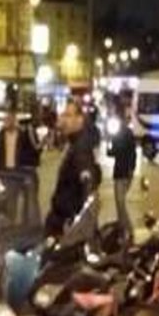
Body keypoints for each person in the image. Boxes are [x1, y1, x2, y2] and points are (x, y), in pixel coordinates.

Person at [45, 99, 98, 238]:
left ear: (80, 120)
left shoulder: (81, 149)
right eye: (63, 115)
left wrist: (75, 224)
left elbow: (88, 187)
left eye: (68, 115)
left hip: (66, 225)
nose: (63, 120)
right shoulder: (74, 143)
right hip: (63, 221)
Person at [106, 104, 138, 240]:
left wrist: (110, 146)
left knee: (120, 203)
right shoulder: (126, 133)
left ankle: (128, 230)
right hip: (124, 171)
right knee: (120, 203)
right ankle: (123, 230)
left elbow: (115, 151)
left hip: (121, 172)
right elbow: (131, 153)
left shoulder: (122, 133)